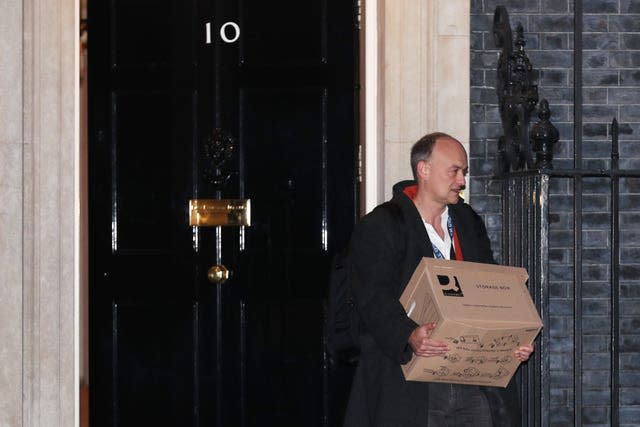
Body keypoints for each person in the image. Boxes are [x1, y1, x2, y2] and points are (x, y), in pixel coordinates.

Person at [343, 132, 534, 427]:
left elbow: (491, 289)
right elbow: (373, 297)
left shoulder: (468, 221)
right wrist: (408, 333)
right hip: (410, 381)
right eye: (454, 171)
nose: (462, 181)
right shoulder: (382, 224)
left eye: (464, 172)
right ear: (424, 170)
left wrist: (511, 339)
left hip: (470, 377)